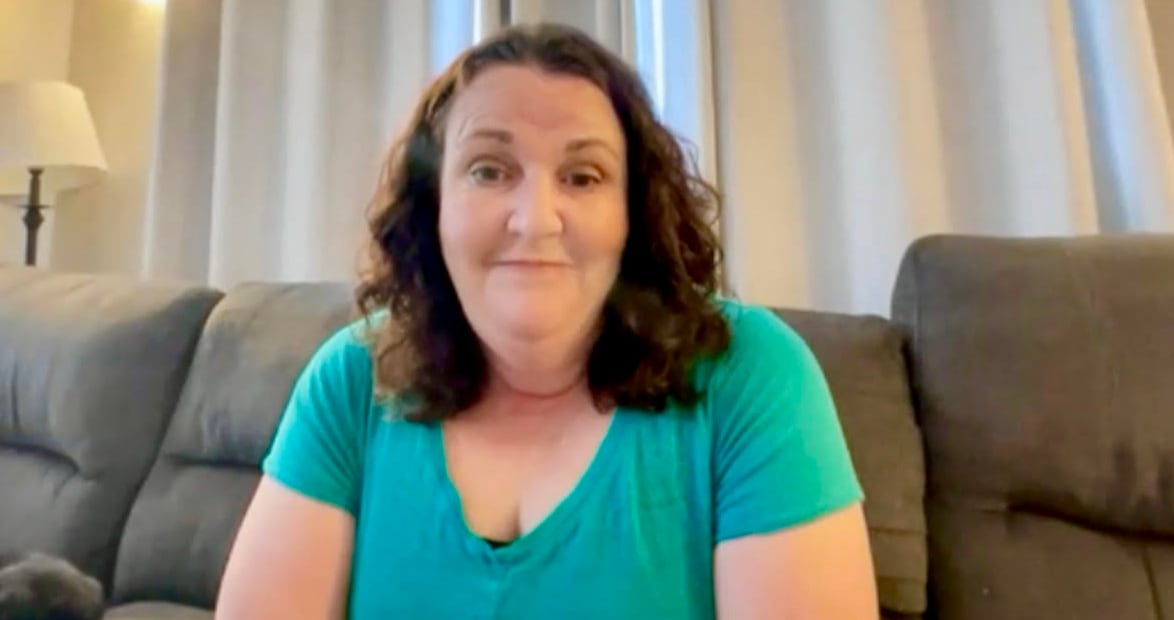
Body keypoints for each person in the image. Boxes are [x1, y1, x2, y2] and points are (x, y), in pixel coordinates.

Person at [216, 22, 877, 619]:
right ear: (434, 206)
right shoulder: (351, 381)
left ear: (633, 214)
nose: (535, 220)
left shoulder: (752, 376)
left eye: (584, 177)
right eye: (489, 170)